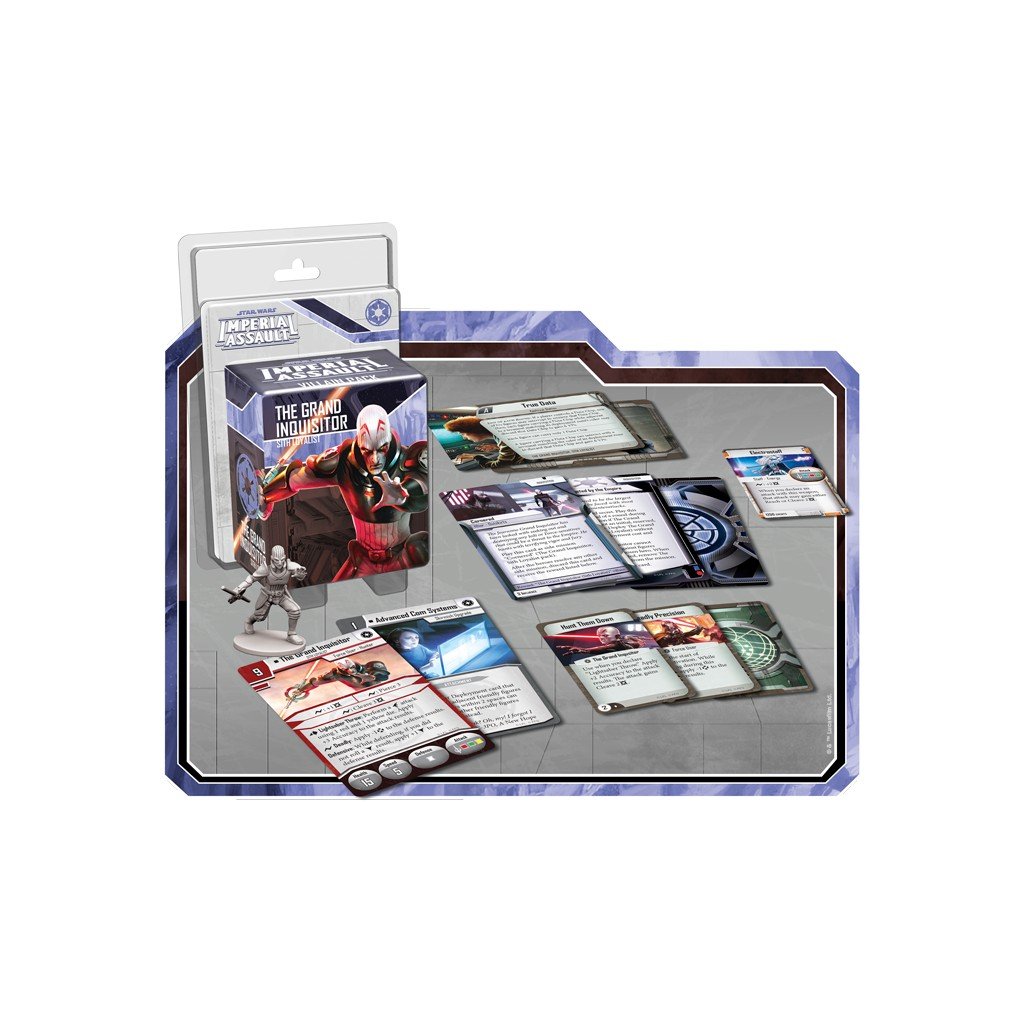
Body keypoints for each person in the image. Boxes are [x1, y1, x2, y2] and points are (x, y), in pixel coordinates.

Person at [259, 405, 428, 580]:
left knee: (421, 548)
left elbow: (422, 488)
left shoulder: (408, 459)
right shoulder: (344, 463)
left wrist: (402, 497)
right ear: (360, 445)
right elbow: (296, 479)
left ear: (389, 442)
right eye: (367, 451)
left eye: (382, 449)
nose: (375, 459)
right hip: (362, 560)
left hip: (402, 556)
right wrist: (266, 495)